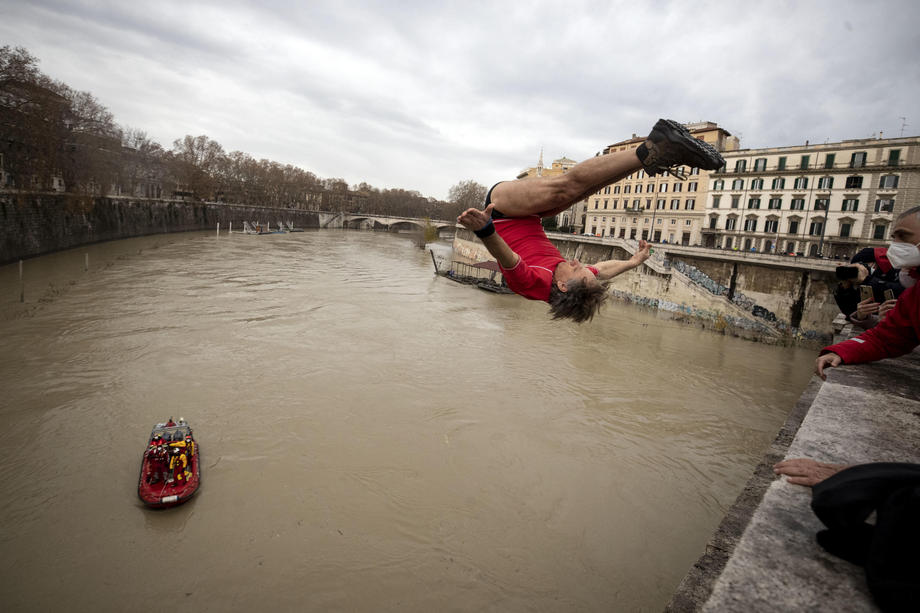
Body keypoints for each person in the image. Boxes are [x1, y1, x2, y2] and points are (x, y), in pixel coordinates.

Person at [456, 118, 725, 323]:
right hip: (531, 216)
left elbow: (507, 258)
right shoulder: (574, 280)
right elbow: (604, 270)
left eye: (578, 269)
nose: (578, 263)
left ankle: (654, 146)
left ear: (562, 285)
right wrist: (633, 261)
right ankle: (654, 158)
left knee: (565, 188)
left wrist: (485, 229)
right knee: (585, 191)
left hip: (502, 210)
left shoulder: (533, 284)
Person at [816, 206, 920, 380]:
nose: (895, 245)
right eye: (894, 238)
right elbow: (886, 338)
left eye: (903, 236)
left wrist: (868, 281)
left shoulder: (909, 289)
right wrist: (841, 351)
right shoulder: (914, 294)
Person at [832, 247, 904, 329]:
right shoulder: (863, 284)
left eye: (862, 265)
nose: (859, 271)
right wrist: (844, 289)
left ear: (875, 264)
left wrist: (868, 279)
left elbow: (901, 291)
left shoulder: (899, 273)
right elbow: (850, 313)